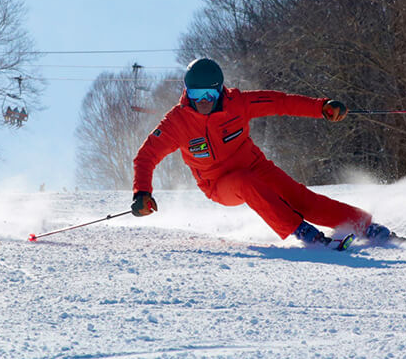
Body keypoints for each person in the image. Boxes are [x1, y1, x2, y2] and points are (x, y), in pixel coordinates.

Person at [131, 58, 391, 248]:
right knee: (245, 183)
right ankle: (301, 231)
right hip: (219, 185)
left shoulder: (238, 103)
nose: (204, 101)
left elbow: (280, 102)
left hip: (256, 166)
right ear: (187, 92)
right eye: (197, 94)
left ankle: (365, 225)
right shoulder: (177, 122)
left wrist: (321, 107)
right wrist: (142, 192)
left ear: (220, 89)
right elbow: (146, 157)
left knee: (302, 199)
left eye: (210, 93)